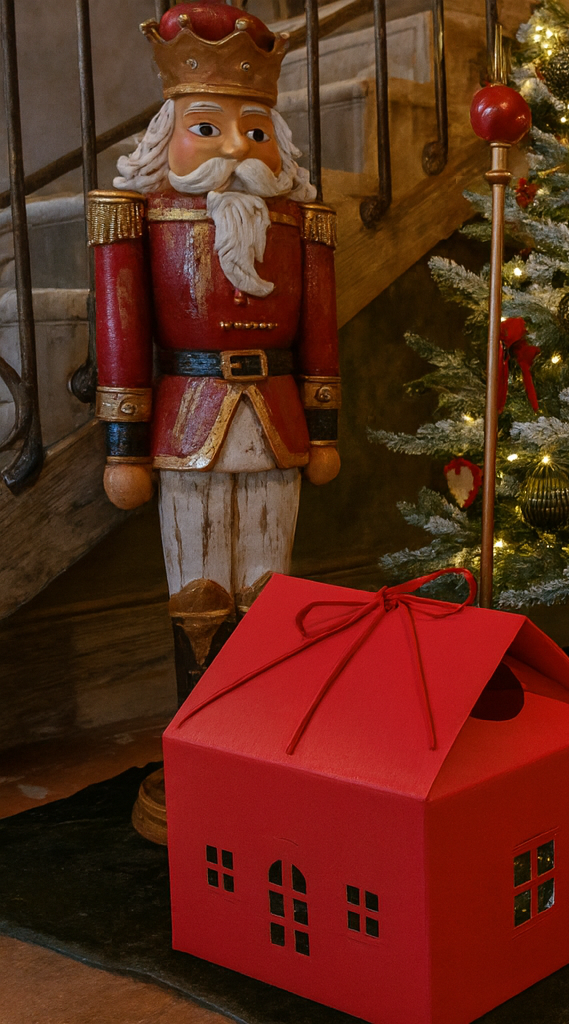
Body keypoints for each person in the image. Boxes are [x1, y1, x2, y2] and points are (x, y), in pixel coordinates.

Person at [91, 1, 339, 709]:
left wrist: (325, 430)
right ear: (168, 134)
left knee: (273, 586)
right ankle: (204, 736)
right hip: (185, 421)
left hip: (279, 423)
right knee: (198, 591)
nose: (234, 148)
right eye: (207, 128)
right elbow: (123, 332)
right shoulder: (138, 219)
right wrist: (122, 446)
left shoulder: (301, 223)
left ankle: (264, 730)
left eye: (253, 130)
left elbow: (319, 330)